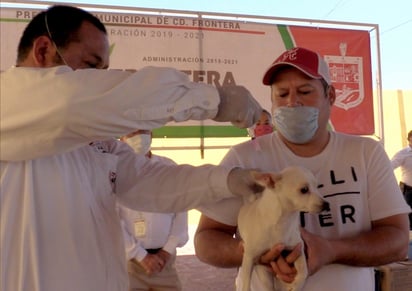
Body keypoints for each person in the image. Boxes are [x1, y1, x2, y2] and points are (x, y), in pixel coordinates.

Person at [0, 5, 265, 291]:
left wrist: (228, 180)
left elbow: (150, 182)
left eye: (103, 72)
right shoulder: (8, 102)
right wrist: (212, 99)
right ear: (42, 51)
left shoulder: (94, 143)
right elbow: (77, 100)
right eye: (91, 67)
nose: (96, 80)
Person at [194, 47, 411, 291]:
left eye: (305, 92)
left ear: (330, 96)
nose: (292, 102)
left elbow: (398, 240)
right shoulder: (243, 159)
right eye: (282, 94)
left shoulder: (365, 153)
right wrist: (252, 251)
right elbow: (205, 241)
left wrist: (332, 250)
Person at [118, 130, 189, 290]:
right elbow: (113, 219)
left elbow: (181, 209)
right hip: (130, 264)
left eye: (143, 130)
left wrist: (166, 251)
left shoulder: (169, 167)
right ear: (121, 138)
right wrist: (140, 255)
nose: (138, 135)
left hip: (165, 262)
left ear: (151, 134)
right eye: (132, 132)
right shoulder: (114, 171)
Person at [391, 130, 412, 230]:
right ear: (408, 140)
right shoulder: (403, 154)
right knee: (408, 219)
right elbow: (388, 168)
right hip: (408, 191)